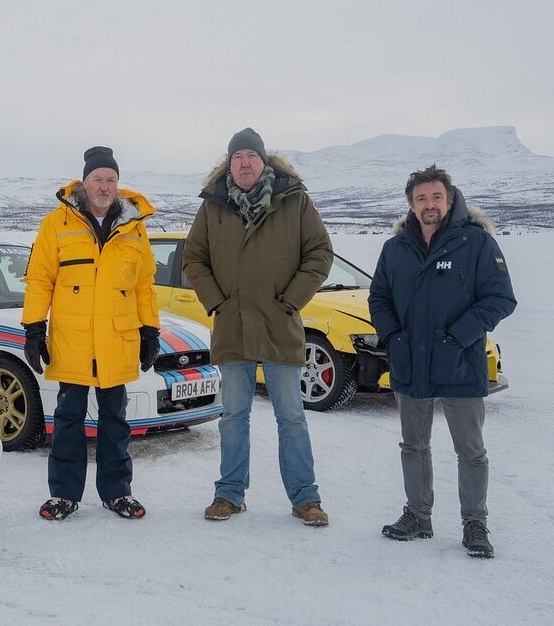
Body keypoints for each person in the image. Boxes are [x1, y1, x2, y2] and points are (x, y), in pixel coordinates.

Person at [182, 127, 334, 526]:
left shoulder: (294, 201)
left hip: (279, 323)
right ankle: (229, 494)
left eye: (251, 156)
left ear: (263, 162)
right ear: (228, 165)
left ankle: (306, 498)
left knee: (293, 416)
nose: (244, 163)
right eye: (237, 157)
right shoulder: (213, 207)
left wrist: (291, 300)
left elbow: (319, 253)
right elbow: (194, 258)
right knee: (233, 416)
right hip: (233, 326)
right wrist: (217, 301)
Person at [368, 165, 516, 558]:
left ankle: (474, 523)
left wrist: (458, 337)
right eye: (421, 199)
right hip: (410, 363)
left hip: (460, 363)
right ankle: (418, 514)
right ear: (411, 205)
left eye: (436, 197)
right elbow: (378, 297)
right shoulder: (394, 248)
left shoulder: (477, 243)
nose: (429, 204)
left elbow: (500, 298)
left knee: (470, 450)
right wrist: (394, 338)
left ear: (449, 200)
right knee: (413, 445)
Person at [22, 146, 161, 521]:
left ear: (118, 184)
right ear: (84, 182)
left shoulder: (134, 227)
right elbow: (40, 279)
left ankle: (118, 493)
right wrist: (33, 328)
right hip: (74, 339)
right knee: (69, 417)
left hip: (116, 338)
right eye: (97, 179)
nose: (104, 186)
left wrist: (150, 329)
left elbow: (144, 284)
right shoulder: (57, 223)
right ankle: (64, 495)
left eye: (111, 179)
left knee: (115, 418)